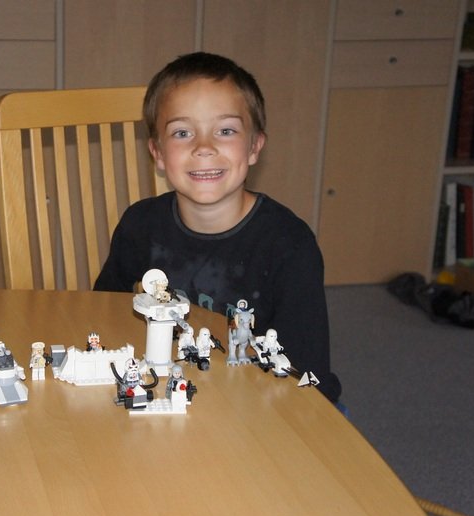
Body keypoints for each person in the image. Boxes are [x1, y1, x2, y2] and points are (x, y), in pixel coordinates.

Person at [93, 52, 341, 403]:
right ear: (157, 153)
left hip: (261, 405)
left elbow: (307, 375)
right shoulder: (140, 225)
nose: (204, 148)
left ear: (254, 146)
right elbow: (105, 315)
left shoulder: (289, 245)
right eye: (182, 133)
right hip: (174, 393)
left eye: (225, 131)